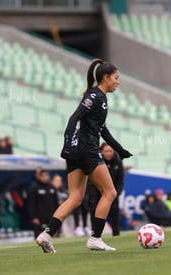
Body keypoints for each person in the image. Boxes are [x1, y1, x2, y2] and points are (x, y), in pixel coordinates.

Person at [36, 59, 132, 253]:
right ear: (105, 77)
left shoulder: (100, 98)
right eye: (116, 77)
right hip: (85, 150)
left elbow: (101, 129)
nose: (118, 81)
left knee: (75, 197)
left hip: (77, 152)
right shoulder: (95, 96)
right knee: (110, 193)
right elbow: (75, 117)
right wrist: (66, 144)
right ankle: (96, 238)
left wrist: (119, 149)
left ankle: (46, 235)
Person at [87, 142, 125, 236]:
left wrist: (117, 192)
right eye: (106, 151)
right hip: (97, 191)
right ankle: (95, 234)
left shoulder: (118, 161)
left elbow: (120, 179)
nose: (108, 153)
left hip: (112, 191)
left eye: (110, 151)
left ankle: (116, 233)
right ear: (101, 152)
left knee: (115, 210)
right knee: (95, 210)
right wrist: (93, 194)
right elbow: (90, 179)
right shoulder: (96, 161)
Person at [29, 170, 58, 238]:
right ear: (39, 177)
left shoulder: (52, 187)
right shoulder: (35, 188)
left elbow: (55, 202)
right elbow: (32, 204)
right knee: (40, 234)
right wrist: (34, 217)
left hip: (52, 216)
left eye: (47, 175)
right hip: (40, 217)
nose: (46, 177)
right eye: (43, 176)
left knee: (54, 233)